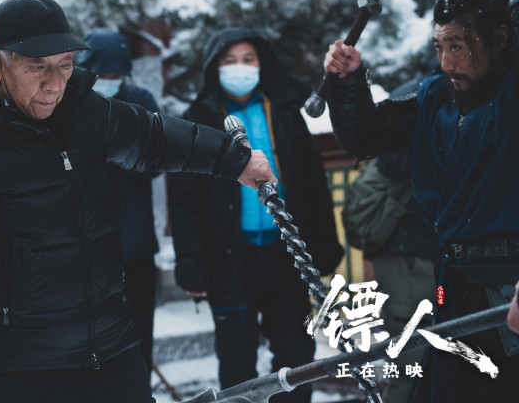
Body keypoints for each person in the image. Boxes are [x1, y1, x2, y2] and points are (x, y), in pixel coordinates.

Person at [0, 0, 276, 403]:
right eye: (37, 66)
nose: (54, 83)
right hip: (11, 372)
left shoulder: (80, 109)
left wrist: (233, 160)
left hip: (110, 354)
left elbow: (153, 138)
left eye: (65, 64)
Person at [322, 0, 519, 401]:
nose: (446, 61)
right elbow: (368, 135)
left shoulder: (511, 95)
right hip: (451, 279)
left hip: (508, 282)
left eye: (459, 46)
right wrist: (349, 81)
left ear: (499, 39)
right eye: (439, 46)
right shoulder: (435, 96)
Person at [167, 27, 344, 400]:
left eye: (248, 59)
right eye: (230, 60)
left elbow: (311, 180)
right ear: (215, 68)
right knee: (236, 359)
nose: (240, 67)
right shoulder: (198, 119)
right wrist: (190, 260)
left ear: (262, 64)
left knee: (296, 354)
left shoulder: (283, 111)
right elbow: (184, 198)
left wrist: (323, 242)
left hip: (286, 256)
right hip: (228, 259)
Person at [342, 81, 440, 403]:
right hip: (411, 256)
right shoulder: (426, 98)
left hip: (412, 255)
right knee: (412, 362)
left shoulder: (418, 93)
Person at [76, 28, 162, 372]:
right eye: (103, 76)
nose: (110, 82)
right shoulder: (69, 104)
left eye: (116, 76)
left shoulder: (140, 101)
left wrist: (117, 149)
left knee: (140, 335)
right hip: (85, 248)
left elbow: (158, 161)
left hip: (135, 244)